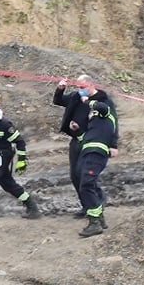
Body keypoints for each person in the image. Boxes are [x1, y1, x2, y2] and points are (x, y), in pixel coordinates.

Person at [75, 83, 119, 237]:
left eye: (82, 86)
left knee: (86, 185)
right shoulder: (97, 118)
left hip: (97, 151)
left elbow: (102, 108)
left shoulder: (106, 107)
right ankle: (99, 218)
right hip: (89, 150)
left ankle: (94, 222)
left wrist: (88, 101)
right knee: (88, 183)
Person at [53, 74, 96, 216]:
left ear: (91, 85)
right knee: (75, 175)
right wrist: (60, 89)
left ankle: (95, 206)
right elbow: (58, 101)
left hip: (89, 141)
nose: (80, 90)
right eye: (78, 87)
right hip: (76, 141)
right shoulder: (74, 96)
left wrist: (80, 127)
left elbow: (100, 123)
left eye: (82, 87)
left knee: (86, 176)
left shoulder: (98, 101)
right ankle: (86, 206)